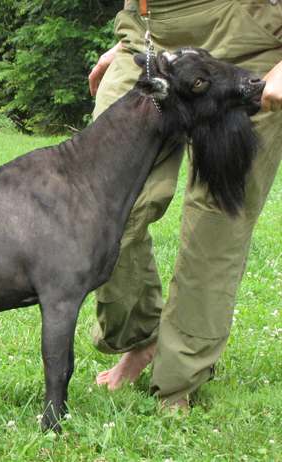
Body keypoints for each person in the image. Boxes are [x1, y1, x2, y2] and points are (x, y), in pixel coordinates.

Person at [87, 0, 282, 411]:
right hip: (151, 39)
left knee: (216, 223)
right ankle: (141, 338)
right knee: (99, 210)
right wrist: (128, 39)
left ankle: (179, 380)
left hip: (248, 40)